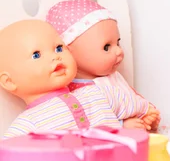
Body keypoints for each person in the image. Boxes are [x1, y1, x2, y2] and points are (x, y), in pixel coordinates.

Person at [46, 0, 170, 143]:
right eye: (107, 47)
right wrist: (122, 126)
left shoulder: (113, 77)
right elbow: (90, 125)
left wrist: (148, 115)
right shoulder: (75, 92)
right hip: (117, 140)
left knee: (165, 130)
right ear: (70, 52)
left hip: (141, 127)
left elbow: (132, 99)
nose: (119, 51)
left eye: (118, 42)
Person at [0, 19, 158, 139]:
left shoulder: (95, 93)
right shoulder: (30, 122)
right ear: (9, 82)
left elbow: (126, 101)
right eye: (37, 55)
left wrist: (146, 111)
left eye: (59, 48)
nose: (56, 57)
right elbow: (7, 154)